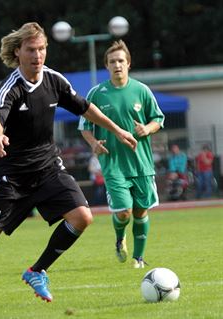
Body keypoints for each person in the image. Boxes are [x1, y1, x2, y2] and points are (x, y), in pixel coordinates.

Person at [0, 22, 137, 308]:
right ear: (18, 52)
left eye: (42, 49)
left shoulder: (54, 80)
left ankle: (37, 270)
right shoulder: (12, 86)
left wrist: (118, 130)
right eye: (31, 50)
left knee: (82, 217)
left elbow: (84, 107)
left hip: (48, 168)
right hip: (13, 174)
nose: (38, 55)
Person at [79, 40, 164, 269]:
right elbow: (84, 126)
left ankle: (138, 258)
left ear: (128, 64)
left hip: (142, 164)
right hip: (113, 164)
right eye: (112, 61)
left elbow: (158, 119)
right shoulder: (97, 93)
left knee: (140, 211)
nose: (117, 65)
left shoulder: (142, 90)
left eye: (120, 61)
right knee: (124, 212)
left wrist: (147, 128)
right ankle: (119, 238)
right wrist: (94, 143)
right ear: (106, 66)